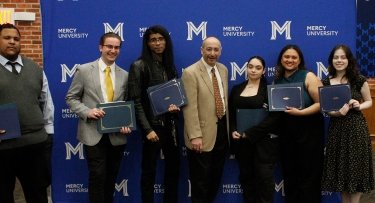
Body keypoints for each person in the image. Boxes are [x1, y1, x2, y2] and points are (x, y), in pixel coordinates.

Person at [66, 32, 131, 203]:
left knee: (111, 177)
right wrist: (87, 112)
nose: (113, 50)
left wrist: (127, 123)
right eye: (109, 46)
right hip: (92, 133)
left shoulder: (124, 75)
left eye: (116, 47)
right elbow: (71, 98)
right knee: (97, 175)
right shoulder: (84, 70)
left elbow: (126, 105)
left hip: (117, 135)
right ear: (100, 47)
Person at [0, 23, 54, 203]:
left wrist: (48, 134)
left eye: (16, 38)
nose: (12, 42)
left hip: (34, 145)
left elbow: (46, 102)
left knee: (38, 195)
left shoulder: (35, 68)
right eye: (7, 38)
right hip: (3, 148)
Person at [128, 25, 180, 203]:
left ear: (166, 41)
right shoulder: (139, 65)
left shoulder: (170, 65)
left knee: (173, 171)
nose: (157, 43)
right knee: (149, 172)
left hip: (171, 127)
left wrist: (176, 108)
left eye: (161, 39)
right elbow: (135, 100)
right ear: (147, 43)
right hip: (152, 129)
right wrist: (147, 129)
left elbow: (175, 96)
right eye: (153, 40)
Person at [321, 44, 374, 203]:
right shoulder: (326, 82)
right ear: (331, 61)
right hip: (337, 131)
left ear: (348, 60)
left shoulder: (359, 79)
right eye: (336, 57)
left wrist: (359, 105)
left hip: (357, 130)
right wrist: (337, 113)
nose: (339, 60)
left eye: (343, 57)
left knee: (356, 171)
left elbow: (369, 102)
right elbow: (326, 109)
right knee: (341, 174)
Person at [274, 44, 324, 202]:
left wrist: (300, 113)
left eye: (294, 57)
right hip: (287, 135)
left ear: (300, 60)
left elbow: (322, 103)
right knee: (290, 175)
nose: (290, 60)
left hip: (309, 133)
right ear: (281, 59)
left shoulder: (308, 76)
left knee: (309, 177)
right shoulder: (278, 80)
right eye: (286, 57)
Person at [182, 36, 229, 203]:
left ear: (220, 51)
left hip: (222, 132)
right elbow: (189, 107)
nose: (212, 53)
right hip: (200, 136)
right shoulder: (190, 72)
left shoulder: (223, 69)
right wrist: (195, 135)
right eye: (209, 49)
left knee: (215, 179)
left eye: (216, 50)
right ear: (201, 50)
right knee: (200, 183)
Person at [229, 56, 280, 203]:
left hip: (264, 145)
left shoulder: (271, 90)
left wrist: (249, 133)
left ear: (264, 71)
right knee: (247, 181)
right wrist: (233, 130)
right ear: (246, 68)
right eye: (250, 66)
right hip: (242, 145)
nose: (253, 70)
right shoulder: (237, 89)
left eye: (258, 67)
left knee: (264, 183)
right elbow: (231, 114)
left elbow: (274, 118)